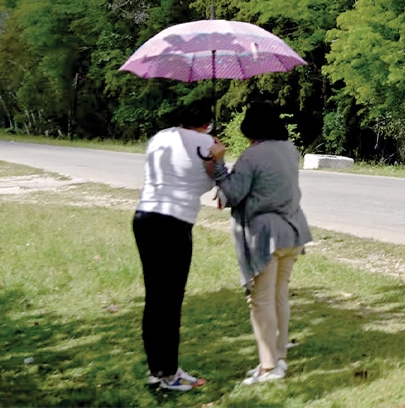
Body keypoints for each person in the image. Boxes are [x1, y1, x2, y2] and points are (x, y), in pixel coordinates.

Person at [208, 101, 313, 386]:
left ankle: (268, 366)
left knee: (261, 299)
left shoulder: (251, 156)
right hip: (293, 230)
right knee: (279, 295)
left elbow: (232, 194)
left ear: (250, 126)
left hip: (266, 236)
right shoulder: (289, 150)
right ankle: (278, 357)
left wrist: (218, 162)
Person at [132, 101, 214, 392]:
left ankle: (158, 370)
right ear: (207, 123)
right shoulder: (207, 143)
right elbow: (212, 182)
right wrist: (216, 155)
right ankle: (168, 375)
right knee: (170, 301)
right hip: (175, 222)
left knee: (155, 298)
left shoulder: (160, 136)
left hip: (145, 216)